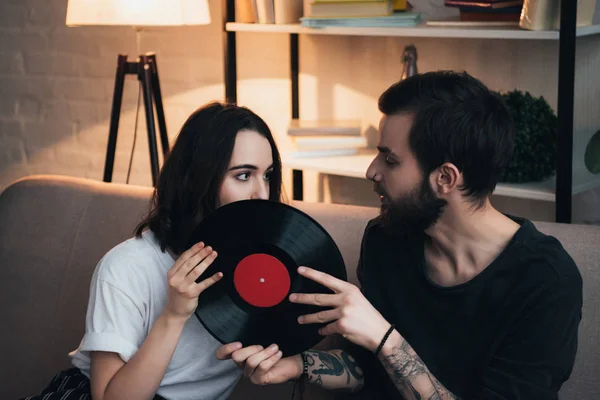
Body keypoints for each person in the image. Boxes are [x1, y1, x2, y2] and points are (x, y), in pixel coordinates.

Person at [217, 71, 583, 399]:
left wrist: (385, 339)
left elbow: (384, 348)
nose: (372, 171)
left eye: (390, 160)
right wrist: (295, 366)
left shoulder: (545, 281)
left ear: (445, 178)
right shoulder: (386, 238)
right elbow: (365, 370)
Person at [20, 101, 285, 400]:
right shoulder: (126, 267)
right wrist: (173, 314)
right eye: (243, 175)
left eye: (268, 175)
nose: (262, 194)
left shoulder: (271, 265)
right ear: (199, 181)